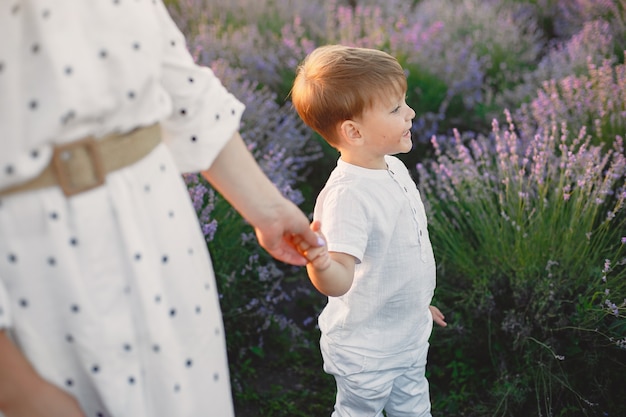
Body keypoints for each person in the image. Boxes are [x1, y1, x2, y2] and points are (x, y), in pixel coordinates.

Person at [0, 2, 322, 417]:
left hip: (162, 236)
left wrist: (267, 207)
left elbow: (170, 75)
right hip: (41, 266)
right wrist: (15, 387)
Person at [290, 44, 447, 417]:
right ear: (354, 132)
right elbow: (339, 280)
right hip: (367, 351)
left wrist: (416, 303)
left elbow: (396, 256)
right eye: (395, 109)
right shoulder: (349, 196)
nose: (410, 113)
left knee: (413, 407)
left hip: (407, 334)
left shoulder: (391, 166)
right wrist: (318, 261)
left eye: (404, 102)